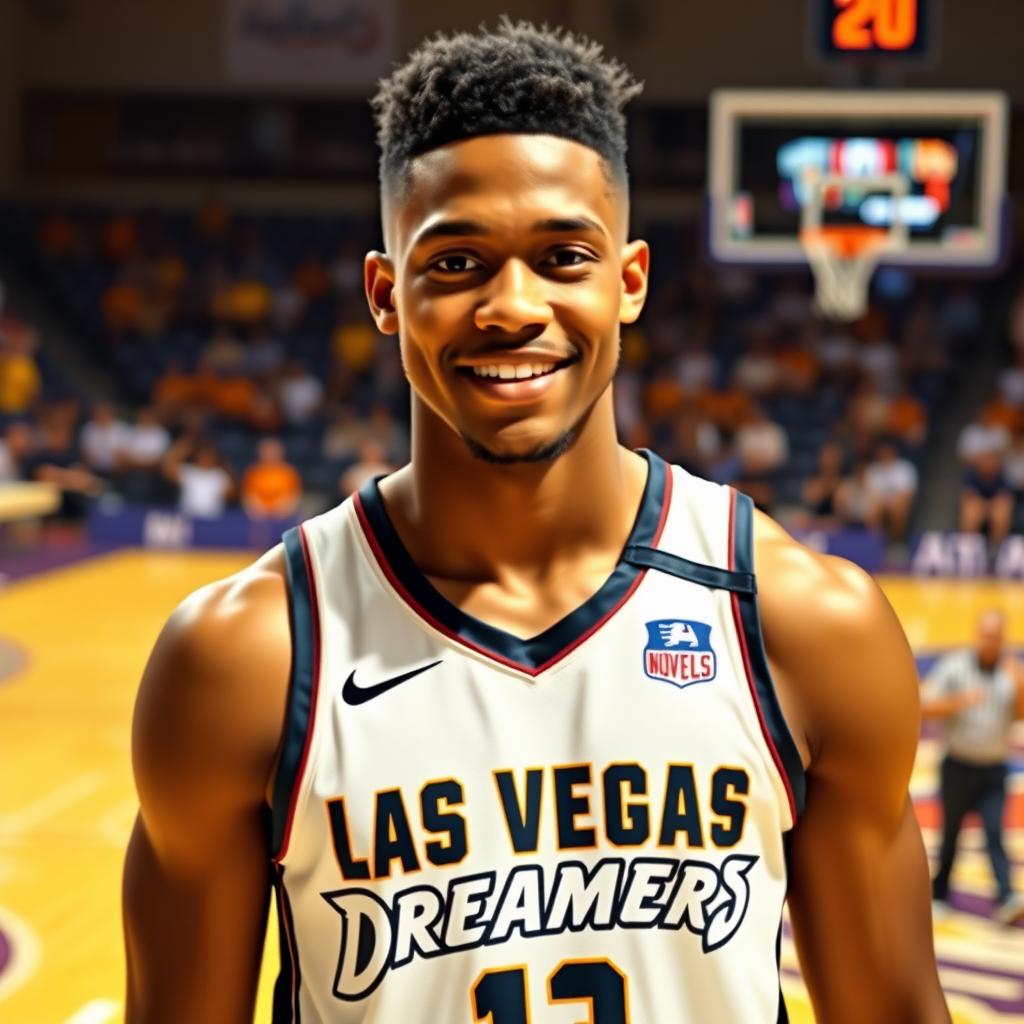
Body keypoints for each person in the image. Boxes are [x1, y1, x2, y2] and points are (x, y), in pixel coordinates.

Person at [123, 21, 949, 1023]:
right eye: (458, 263)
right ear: (386, 294)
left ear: (628, 280)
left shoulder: (803, 628)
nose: (513, 306)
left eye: (563, 256)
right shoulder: (243, 658)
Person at [922, 610, 1024, 924]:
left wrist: (1019, 684)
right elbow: (926, 706)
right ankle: (939, 894)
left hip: (994, 770)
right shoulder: (955, 666)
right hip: (957, 767)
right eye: (986, 635)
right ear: (977, 635)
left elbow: (1021, 716)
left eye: (997, 637)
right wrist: (961, 700)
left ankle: (1006, 897)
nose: (991, 642)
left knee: (994, 832)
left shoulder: (1011, 673)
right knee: (950, 833)